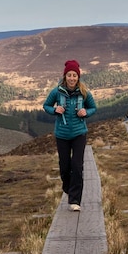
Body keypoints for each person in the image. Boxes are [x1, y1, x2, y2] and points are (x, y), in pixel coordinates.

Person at [43, 60, 97, 211]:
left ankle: (75, 200)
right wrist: (54, 110)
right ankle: (68, 188)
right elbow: (46, 105)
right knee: (64, 167)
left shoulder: (84, 92)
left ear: (78, 77)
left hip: (79, 133)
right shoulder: (57, 92)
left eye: (74, 75)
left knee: (77, 166)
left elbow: (93, 107)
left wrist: (86, 112)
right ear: (65, 76)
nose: (72, 78)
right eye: (69, 75)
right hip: (62, 134)